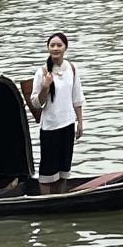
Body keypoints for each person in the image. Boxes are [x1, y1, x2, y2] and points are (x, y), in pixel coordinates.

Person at [29, 32, 86, 195]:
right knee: (47, 170)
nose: (55, 48)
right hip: (49, 127)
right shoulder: (42, 72)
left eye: (59, 45)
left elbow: (77, 98)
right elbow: (36, 103)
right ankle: (45, 201)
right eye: (52, 45)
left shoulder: (72, 69)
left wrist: (79, 122)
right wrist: (45, 87)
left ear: (65, 48)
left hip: (67, 124)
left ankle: (60, 197)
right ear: (48, 48)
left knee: (64, 168)